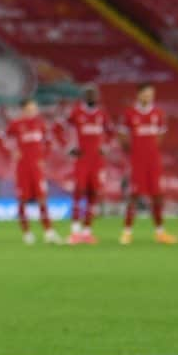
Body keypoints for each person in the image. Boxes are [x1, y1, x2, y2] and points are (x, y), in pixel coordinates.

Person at [119, 83, 178, 245]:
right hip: (137, 162)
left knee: (157, 196)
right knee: (134, 195)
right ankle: (127, 232)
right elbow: (123, 137)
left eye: (151, 94)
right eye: (146, 94)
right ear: (139, 95)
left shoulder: (158, 114)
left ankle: (160, 232)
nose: (148, 97)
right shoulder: (130, 114)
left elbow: (160, 137)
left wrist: (150, 151)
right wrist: (135, 153)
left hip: (154, 162)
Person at [0, 98, 62, 245]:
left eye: (35, 108)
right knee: (22, 200)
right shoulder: (16, 124)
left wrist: (43, 156)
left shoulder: (40, 124)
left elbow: (50, 141)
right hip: (23, 168)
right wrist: (9, 152)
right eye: (31, 108)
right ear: (24, 109)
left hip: (37, 168)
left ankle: (49, 232)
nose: (34, 110)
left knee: (42, 198)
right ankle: (27, 233)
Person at [64, 84, 111, 245]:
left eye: (94, 95)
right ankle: (75, 231)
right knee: (79, 192)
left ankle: (87, 231)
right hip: (82, 160)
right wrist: (70, 147)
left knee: (94, 194)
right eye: (88, 94)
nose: (91, 97)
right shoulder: (76, 113)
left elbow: (110, 132)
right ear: (83, 97)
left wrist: (105, 147)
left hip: (97, 161)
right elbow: (63, 129)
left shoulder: (102, 114)